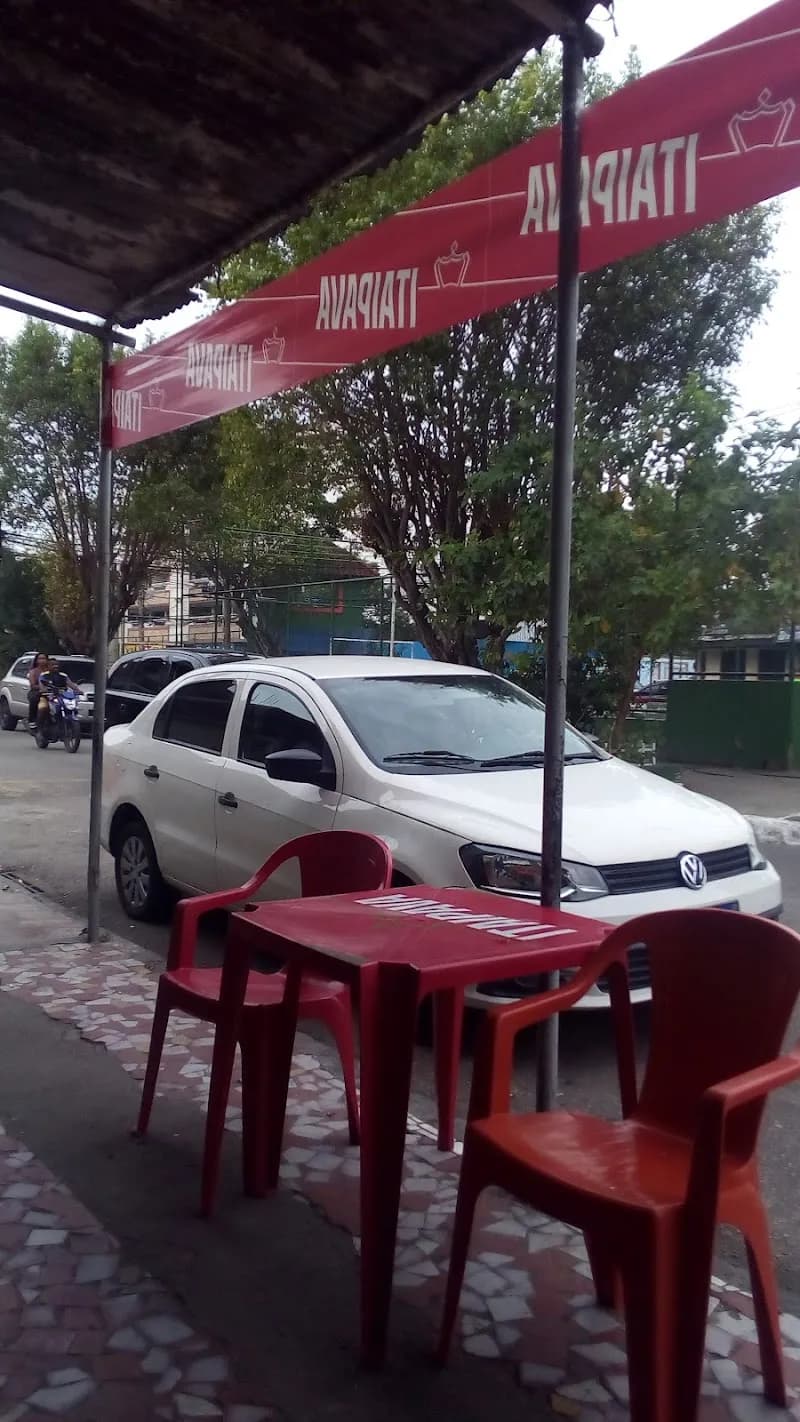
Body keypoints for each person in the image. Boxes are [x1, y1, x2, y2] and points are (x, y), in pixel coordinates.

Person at [27, 652, 49, 728]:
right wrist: (42, 688)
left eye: (44, 658)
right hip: (37, 692)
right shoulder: (33, 671)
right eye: (40, 658)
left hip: (51, 692)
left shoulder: (51, 670)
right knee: (34, 699)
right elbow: (33, 685)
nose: (42, 660)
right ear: (36, 661)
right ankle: (32, 720)